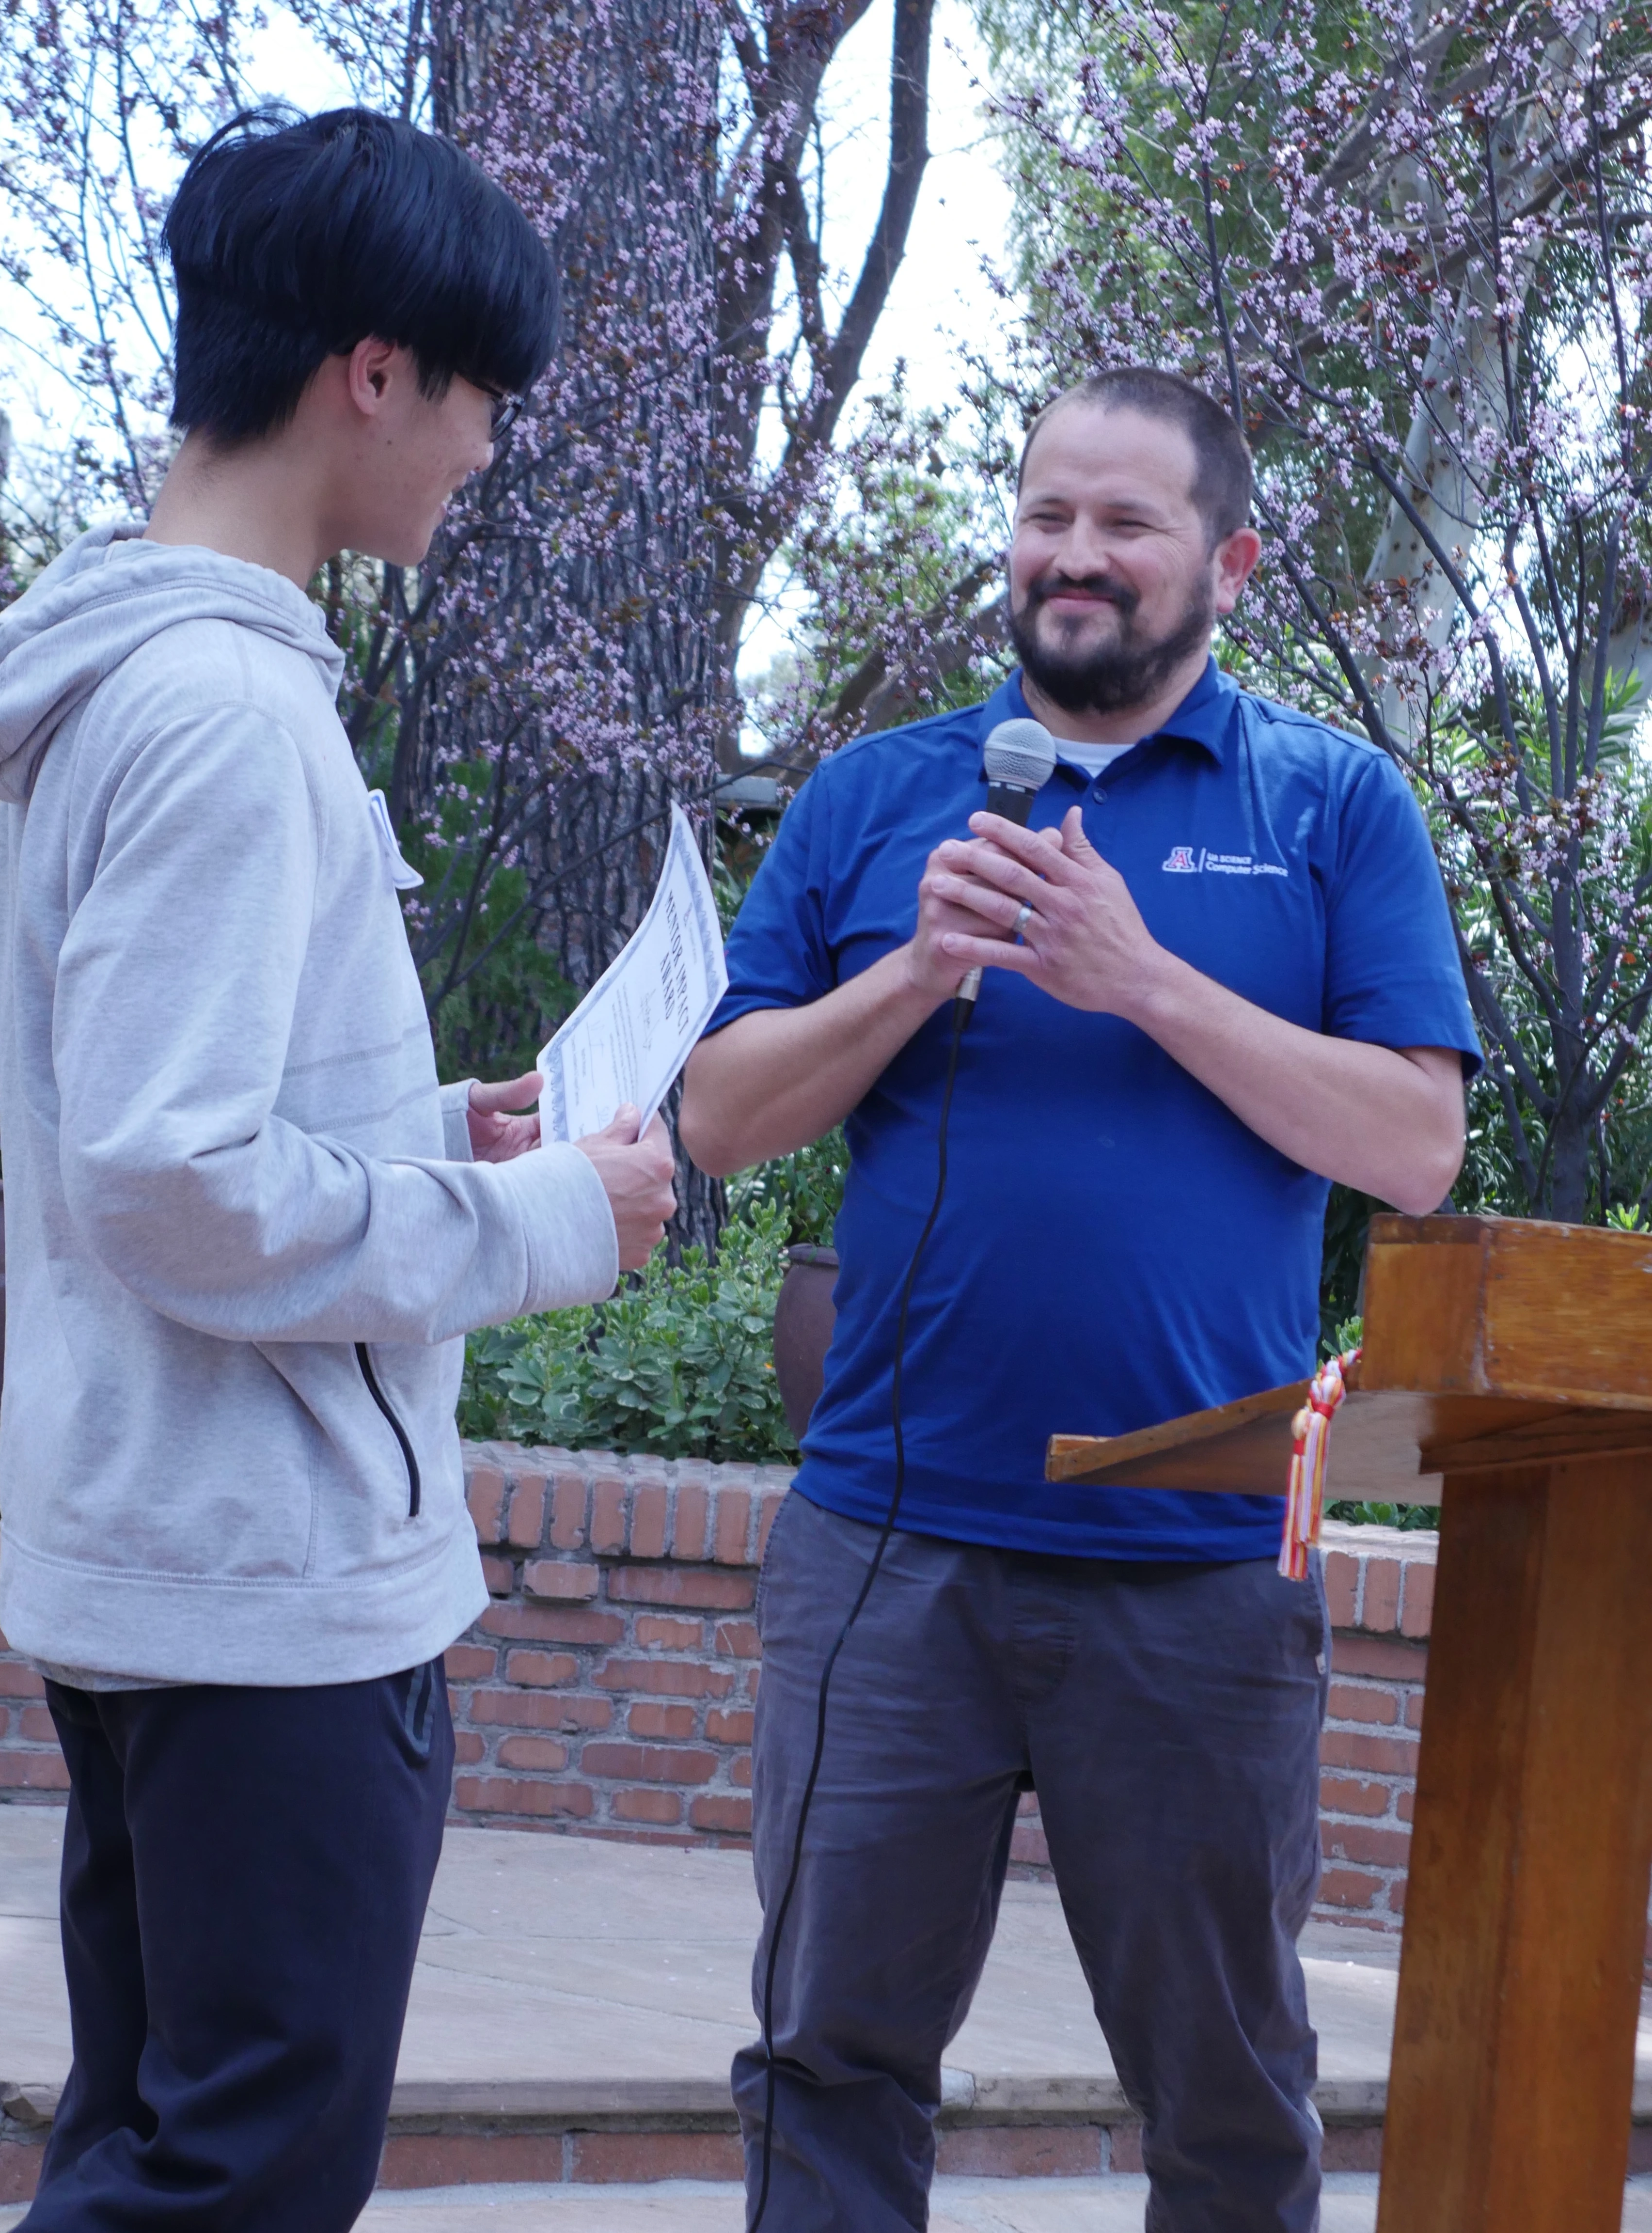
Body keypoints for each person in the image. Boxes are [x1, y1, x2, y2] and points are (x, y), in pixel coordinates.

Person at [681, 367, 1479, 2233]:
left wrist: (1142, 980)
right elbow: (715, 1116)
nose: (1075, 555)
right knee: (826, 2061)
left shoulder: (1331, 805)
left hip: (1200, 1569)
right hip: (888, 1550)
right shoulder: (879, 796)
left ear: (1230, 561)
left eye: (1127, 522)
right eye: (1048, 514)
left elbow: (1418, 1149)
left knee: (1228, 2095)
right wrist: (910, 972)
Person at [0, 107, 676, 2232]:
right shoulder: (221, 709)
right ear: (375, 371)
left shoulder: (136, 676)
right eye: (478, 400)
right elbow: (172, 1181)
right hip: (261, 1589)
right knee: (244, 2174)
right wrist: (544, 1217)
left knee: (155, 2136)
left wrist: (421, 1137)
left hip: (179, 1553)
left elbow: (132, 1112)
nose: (485, 451)